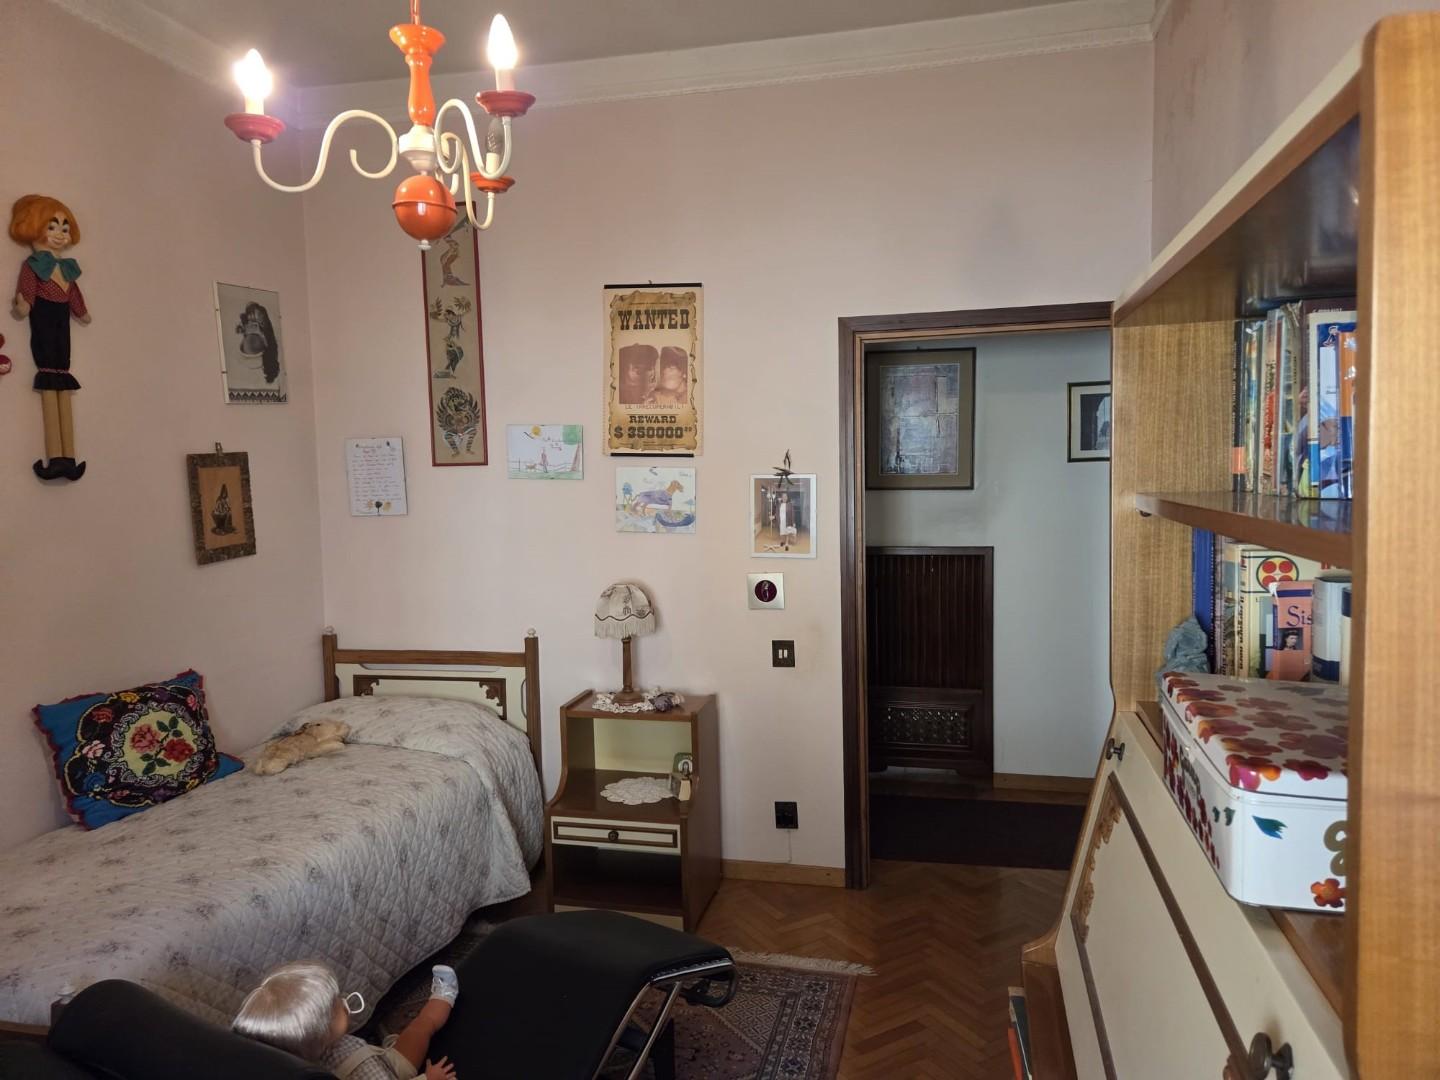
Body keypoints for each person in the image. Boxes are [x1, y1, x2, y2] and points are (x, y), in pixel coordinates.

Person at [233, 962, 460, 1080]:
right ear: (319, 1033)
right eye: (335, 1005)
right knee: (420, 1027)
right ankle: (445, 995)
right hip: (388, 1072)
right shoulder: (363, 1074)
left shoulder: (305, 1049)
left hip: (375, 1057)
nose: (343, 1002)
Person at [10, 194, 91, 481]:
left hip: (61, 320)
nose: (59, 233)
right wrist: (24, 306)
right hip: (43, 316)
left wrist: (82, 312)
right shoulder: (33, 266)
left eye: (64, 227)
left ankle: (69, 457)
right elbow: (28, 292)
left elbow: (74, 295)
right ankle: (56, 456)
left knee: (63, 372)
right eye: (52, 226)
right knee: (48, 373)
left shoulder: (66, 269)